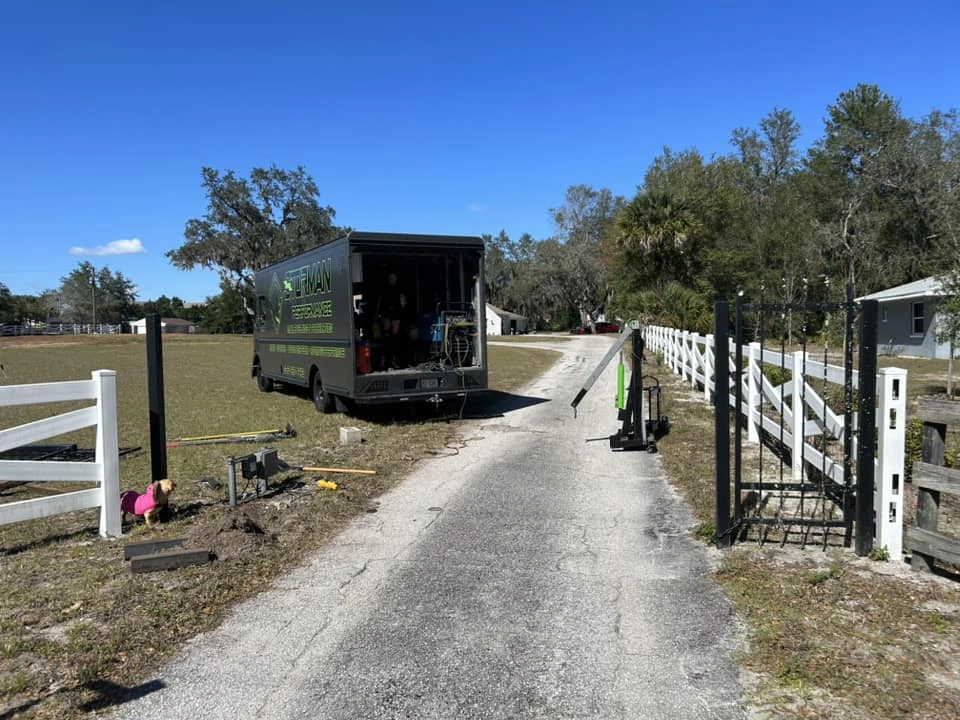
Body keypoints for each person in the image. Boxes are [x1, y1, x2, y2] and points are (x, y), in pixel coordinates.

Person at [378, 271, 407, 368]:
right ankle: (385, 359)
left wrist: (401, 308)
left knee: (394, 337)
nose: (392, 280)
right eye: (390, 278)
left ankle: (393, 359)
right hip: (386, 314)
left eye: (393, 278)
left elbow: (403, 303)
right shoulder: (384, 289)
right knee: (386, 336)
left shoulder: (399, 289)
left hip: (395, 314)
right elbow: (380, 303)